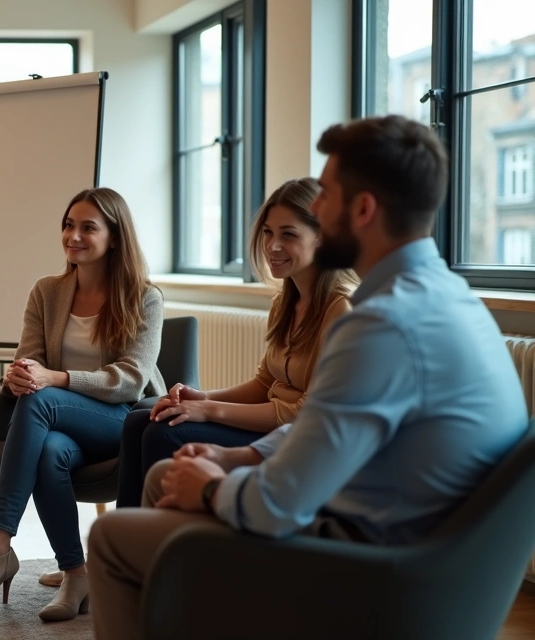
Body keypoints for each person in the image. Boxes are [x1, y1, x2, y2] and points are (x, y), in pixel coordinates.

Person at [86, 115, 530, 640]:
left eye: (328, 196)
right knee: (165, 477)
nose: (317, 208)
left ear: (363, 209)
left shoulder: (380, 323)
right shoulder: (448, 298)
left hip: (372, 571)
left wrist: (213, 491)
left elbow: (276, 506)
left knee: (112, 537)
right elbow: (327, 421)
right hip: (415, 548)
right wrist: (239, 457)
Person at [0, 187, 166, 622]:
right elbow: (31, 361)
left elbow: (131, 380)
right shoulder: (47, 292)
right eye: (68, 225)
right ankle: (76, 572)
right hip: (63, 425)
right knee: (48, 450)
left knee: (43, 397)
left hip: (123, 419)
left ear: (115, 237)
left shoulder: (145, 297)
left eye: (88, 227)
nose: (74, 235)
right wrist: (18, 377)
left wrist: (54, 379)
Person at [116, 177, 355, 508]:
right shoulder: (284, 304)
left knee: (164, 431)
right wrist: (202, 396)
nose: (272, 245)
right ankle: (126, 543)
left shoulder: (340, 311)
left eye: (289, 234)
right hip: (268, 427)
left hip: (290, 441)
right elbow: (264, 383)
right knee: (141, 419)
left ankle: (159, 548)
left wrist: (208, 409)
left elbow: (303, 414)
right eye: (268, 232)